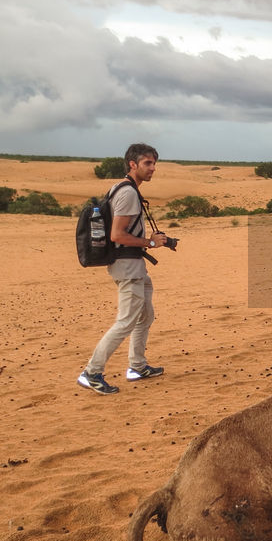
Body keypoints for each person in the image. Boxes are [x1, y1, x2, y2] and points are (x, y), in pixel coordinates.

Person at [77, 143, 171, 395]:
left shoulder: (124, 189)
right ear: (133, 164)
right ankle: (92, 372)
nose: (153, 168)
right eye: (147, 164)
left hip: (135, 265)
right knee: (126, 320)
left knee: (145, 316)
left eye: (154, 163)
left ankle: (137, 366)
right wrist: (150, 242)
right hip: (127, 266)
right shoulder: (128, 193)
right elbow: (117, 234)